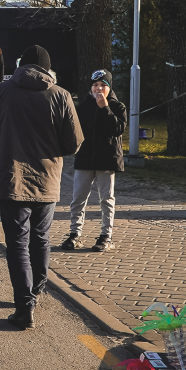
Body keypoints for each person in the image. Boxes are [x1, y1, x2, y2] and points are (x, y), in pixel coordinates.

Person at [0, 45, 82, 330]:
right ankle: (37, 290)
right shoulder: (60, 95)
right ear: (48, 69)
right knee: (41, 238)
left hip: (12, 178)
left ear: (20, 65)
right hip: (47, 179)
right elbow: (73, 143)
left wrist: (7, 136)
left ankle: (24, 307)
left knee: (18, 243)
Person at [62, 69, 128, 253]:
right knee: (78, 198)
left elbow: (117, 129)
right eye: (95, 85)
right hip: (85, 159)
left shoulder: (117, 107)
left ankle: (106, 236)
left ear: (109, 88)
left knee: (106, 199)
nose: (98, 89)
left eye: (102, 85)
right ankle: (75, 234)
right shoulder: (83, 107)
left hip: (107, 160)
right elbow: (74, 130)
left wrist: (104, 107)